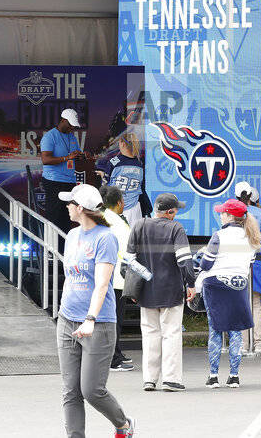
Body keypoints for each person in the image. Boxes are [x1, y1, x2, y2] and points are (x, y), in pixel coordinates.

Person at [56, 183, 133, 438]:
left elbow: (102, 283)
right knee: (70, 391)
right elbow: (70, 277)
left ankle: (123, 424)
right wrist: (64, 313)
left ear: (81, 208)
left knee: (91, 390)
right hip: (67, 320)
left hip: (97, 324)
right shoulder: (72, 236)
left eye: (70, 203)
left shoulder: (105, 237)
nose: (66, 206)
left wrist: (90, 318)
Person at [128, 192, 194, 391]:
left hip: (146, 291)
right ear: (170, 211)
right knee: (171, 334)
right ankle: (171, 379)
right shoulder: (176, 228)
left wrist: (133, 287)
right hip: (171, 290)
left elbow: (129, 259)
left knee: (149, 335)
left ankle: (149, 379)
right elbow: (184, 260)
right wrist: (191, 283)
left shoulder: (139, 225)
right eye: (176, 211)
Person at [194, 199, 260, 389]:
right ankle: (234, 375)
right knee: (236, 330)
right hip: (239, 284)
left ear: (229, 215)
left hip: (216, 283)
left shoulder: (219, 235)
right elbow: (250, 262)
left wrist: (203, 253)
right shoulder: (251, 237)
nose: (220, 215)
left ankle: (213, 375)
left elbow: (205, 265)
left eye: (222, 212)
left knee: (215, 329)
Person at [99, 185, 133, 372]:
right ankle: (113, 358)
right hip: (117, 278)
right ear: (119, 203)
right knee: (114, 320)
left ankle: (115, 352)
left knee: (110, 319)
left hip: (106, 276)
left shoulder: (99, 217)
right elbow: (128, 251)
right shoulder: (117, 223)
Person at [234, 181, 261, 353]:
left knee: (241, 303)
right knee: (257, 304)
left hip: (237, 263)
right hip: (257, 262)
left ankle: (243, 343)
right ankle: (260, 342)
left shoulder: (232, 213)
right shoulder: (260, 213)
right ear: (251, 197)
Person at [41, 108, 85, 235]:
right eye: (71, 125)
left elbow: (76, 154)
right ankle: (51, 251)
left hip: (69, 181)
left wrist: (82, 156)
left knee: (67, 217)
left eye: (74, 126)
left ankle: (63, 250)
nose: (72, 128)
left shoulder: (72, 137)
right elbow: (45, 159)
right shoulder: (50, 136)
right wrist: (67, 158)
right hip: (53, 181)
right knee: (54, 217)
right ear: (63, 121)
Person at [97, 132, 146, 225]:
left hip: (116, 207)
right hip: (134, 209)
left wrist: (103, 176)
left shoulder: (114, 161)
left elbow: (105, 185)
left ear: (123, 144)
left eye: (119, 143)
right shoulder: (139, 164)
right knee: (133, 238)